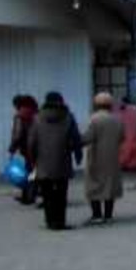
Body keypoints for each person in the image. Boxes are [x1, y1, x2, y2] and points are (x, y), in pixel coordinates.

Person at [27, 92, 83, 230]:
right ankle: (60, 222)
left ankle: (50, 221)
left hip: (43, 163)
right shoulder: (69, 117)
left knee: (47, 194)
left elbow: (31, 142)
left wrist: (33, 160)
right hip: (63, 161)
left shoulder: (37, 118)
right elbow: (76, 138)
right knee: (61, 194)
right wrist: (78, 156)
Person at [82, 92, 125, 224]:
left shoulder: (94, 119)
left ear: (96, 104)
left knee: (93, 184)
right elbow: (122, 137)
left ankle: (96, 215)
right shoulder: (116, 119)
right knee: (109, 185)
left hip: (95, 156)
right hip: (112, 157)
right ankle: (108, 215)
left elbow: (88, 138)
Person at [8, 94, 39, 204]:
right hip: (39, 147)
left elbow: (18, 134)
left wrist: (12, 149)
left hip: (27, 149)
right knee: (35, 172)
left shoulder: (20, 116)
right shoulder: (37, 113)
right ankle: (32, 194)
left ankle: (28, 196)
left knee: (29, 173)